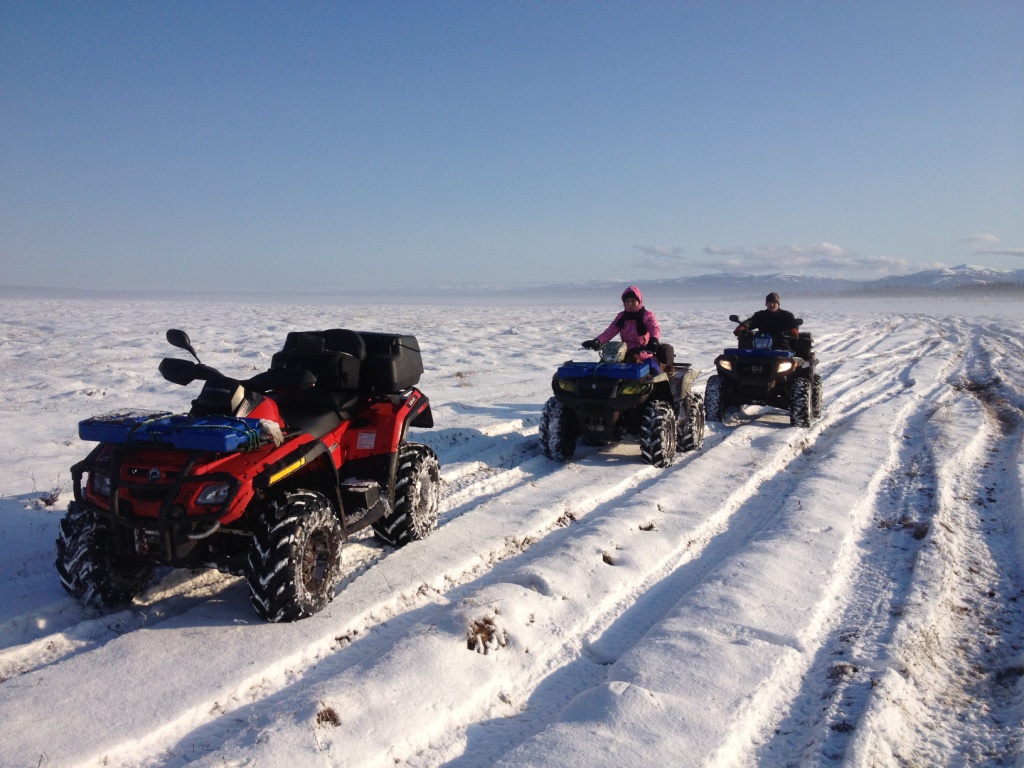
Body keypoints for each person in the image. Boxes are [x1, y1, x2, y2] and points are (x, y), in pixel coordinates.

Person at [582, 285, 663, 370]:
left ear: (639, 301)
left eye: (633, 300)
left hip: (644, 353)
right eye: (627, 301)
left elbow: (654, 328)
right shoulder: (621, 317)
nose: (630, 303)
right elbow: (609, 332)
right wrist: (597, 341)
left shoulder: (647, 316)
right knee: (602, 369)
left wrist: (654, 340)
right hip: (623, 353)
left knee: (653, 371)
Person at [734, 292, 799, 348]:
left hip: (780, 342)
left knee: (786, 353)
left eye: (774, 302)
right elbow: (751, 322)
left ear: (778, 304)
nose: (772, 305)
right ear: (766, 304)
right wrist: (742, 327)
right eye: (769, 302)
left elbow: (793, 323)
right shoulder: (760, 315)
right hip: (761, 342)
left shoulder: (786, 315)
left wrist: (794, 329)